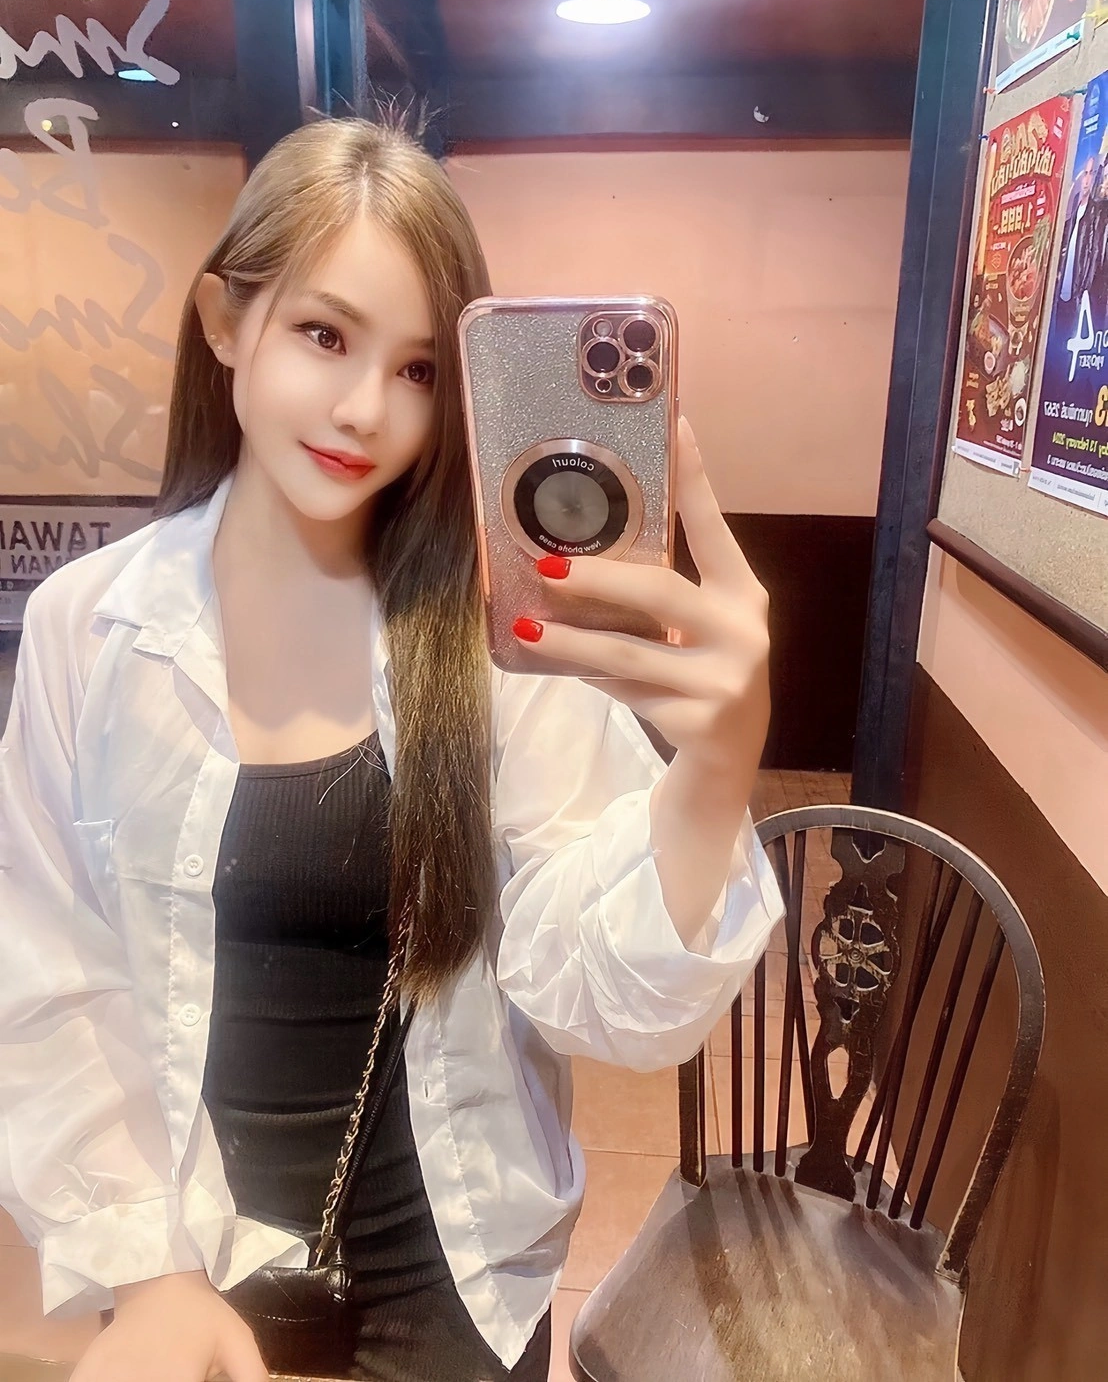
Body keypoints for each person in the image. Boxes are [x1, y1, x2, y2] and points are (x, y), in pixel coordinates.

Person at [0, 117, 782, 1382]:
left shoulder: (493, 639)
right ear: (223, 320)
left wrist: (711, 774)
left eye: (418, 368)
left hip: (452, 1286)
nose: (366, 409)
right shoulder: (87, 628)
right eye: (324, 335)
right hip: (177, 1270)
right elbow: (46, 963)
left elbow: (607, 1000)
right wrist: (148, 1271)